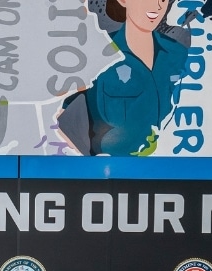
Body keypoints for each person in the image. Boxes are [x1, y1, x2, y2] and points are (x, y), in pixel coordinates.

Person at [58, 0, 188, 156]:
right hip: (110, 170)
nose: (157, 6)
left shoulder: (178, 52)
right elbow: (65, 120)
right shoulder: (97, 53)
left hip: (171, 167)